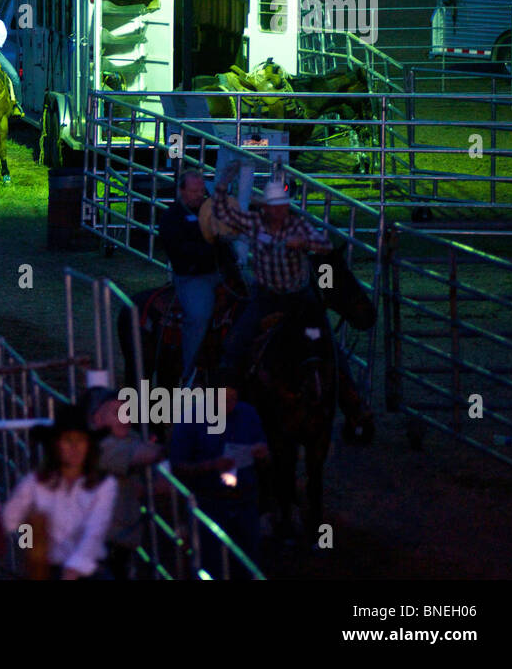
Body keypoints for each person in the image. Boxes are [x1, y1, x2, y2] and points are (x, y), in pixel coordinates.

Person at [211, 165, 371, 424]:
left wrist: (306, 244)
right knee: (233, 343)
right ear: (266, 208)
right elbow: (224, 214)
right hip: (267, 295)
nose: (279, 210)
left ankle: (353, 403)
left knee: (326, 342)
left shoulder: (298, 226)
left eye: (282, 205)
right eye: (275, 206)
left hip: (299, 297)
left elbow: (326, 246)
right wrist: (221, 186)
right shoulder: (254, 223)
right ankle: (230, 403)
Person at [168, 370, 270, 577]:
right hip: (210, 503)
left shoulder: (248, 414)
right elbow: (177, 466)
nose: (228, 406)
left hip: (245, 501)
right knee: (211, 563)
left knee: (247, 562)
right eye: (223, 400)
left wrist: (262, 454)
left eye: (233, 399)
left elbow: (266, 458)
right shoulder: (191, 419)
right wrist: (210, 465)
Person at [2, 404, 118, 580]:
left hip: (90, 571)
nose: (75, 447)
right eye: (67, 440)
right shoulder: (35, 483)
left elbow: (95, 531)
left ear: (89, 446)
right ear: (55, 446)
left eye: (81, 440)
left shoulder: (104, 485)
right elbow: (9, 519)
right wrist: (29, 539)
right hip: (48, 570)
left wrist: (73, 569)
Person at [83, 386, 165, 580]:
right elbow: (144, 454)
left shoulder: (128, 437)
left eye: (126, 412)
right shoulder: (99, 445)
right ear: (98, 419)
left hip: (121, 541)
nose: (125, 417)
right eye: (116, 413)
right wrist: (162, 451)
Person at [161, 169, 226, 383]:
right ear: (182, 191)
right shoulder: (172, 217)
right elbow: (179, 251)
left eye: (201, 190)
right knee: (198, 316)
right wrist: (211, 246)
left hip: (217, 271)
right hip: (192, 276)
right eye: (194, 191)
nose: (199, 195)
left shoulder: (209, 211)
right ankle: (188, 374)